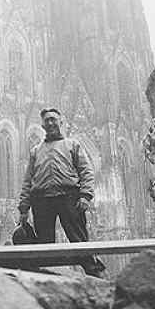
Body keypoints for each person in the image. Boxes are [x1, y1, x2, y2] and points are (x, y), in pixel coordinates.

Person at [18, 108, 105, 277]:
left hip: (69, 197)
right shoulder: (36, 151)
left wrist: (86, 196)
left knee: (79, 239)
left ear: (60, 122)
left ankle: (96, 274)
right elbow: (28, 181)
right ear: (42, 125)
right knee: (45, 245)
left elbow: (86, 171)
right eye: (47, 120)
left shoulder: (72, 145)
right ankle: (46, 278)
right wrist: (23, 207)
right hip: (41, 200)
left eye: (53, 119)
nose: (50, 123)